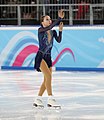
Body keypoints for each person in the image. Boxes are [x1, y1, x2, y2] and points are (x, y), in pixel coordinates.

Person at [33, 9, 64, 108]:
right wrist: (59, 19)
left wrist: (60, 31)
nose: (49, 21)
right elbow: (50, 27)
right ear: (42, 22)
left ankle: (38, 99)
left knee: (47, 78)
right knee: (48, 77)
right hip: (40, 56)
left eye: (50, 19)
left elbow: (59, 40)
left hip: (48, 57)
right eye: (47, 19)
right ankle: (51, 99)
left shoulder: (53, 31)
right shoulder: (40, 30)